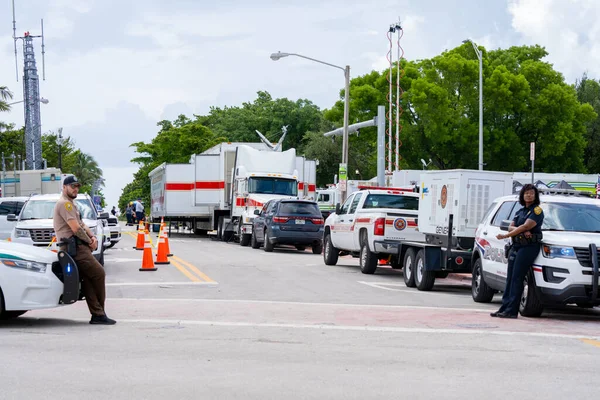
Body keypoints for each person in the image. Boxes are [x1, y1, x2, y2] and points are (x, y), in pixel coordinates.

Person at [53, 175, 116, 325]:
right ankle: (99, 313)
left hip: (79, 246)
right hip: (74, 247)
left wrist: (92, 237)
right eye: (72, 186)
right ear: (64, 187)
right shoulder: (64, 204)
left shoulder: (71, 204)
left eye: (77, 186)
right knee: (99, 273)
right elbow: (75, 229)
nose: (75, 189)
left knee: (89, 278)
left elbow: (82, 224)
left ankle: (98, 314)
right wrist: (90, 242)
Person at [491, 183, 544, 319]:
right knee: (510, 279)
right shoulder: (520, 211)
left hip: (528, 248)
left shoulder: (537, 211)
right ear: (522, 195)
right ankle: (504, 308)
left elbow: (526, 226)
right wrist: (520, 230)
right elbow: (512, 227)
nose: (528, 195)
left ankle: (511, 311)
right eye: (526, 193)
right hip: (517, 246)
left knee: (517, 278)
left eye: (531, 193)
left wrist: (508, 234)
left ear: (535, 195)